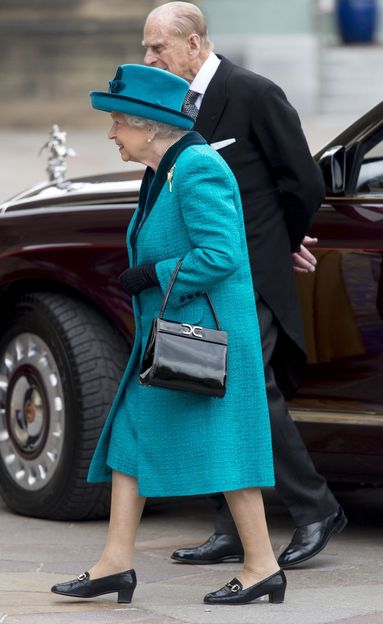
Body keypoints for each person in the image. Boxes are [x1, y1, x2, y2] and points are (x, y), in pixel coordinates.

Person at [50, 63, 287, 606]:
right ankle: (115, 562)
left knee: (227, 448)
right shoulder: (165, 170)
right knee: (130, 437)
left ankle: (262, 565)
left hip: (203, 338)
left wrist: (154, 276)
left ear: (149, 125)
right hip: (175, 332)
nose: (111, 134)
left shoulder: (198, 167)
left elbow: (223, 255)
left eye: (117, 123)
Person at [142, 1, 347, 569]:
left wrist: (282, 241)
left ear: (194, 44)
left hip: (251, 273)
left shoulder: (254, 92)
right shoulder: (167, 105)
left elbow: (304, 181)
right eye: (146, 47)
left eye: (157, 47)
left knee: (246, 389)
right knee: (206, 385)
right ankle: (230, 527)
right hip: (199, 278)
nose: (149, 56)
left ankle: (314, 509)